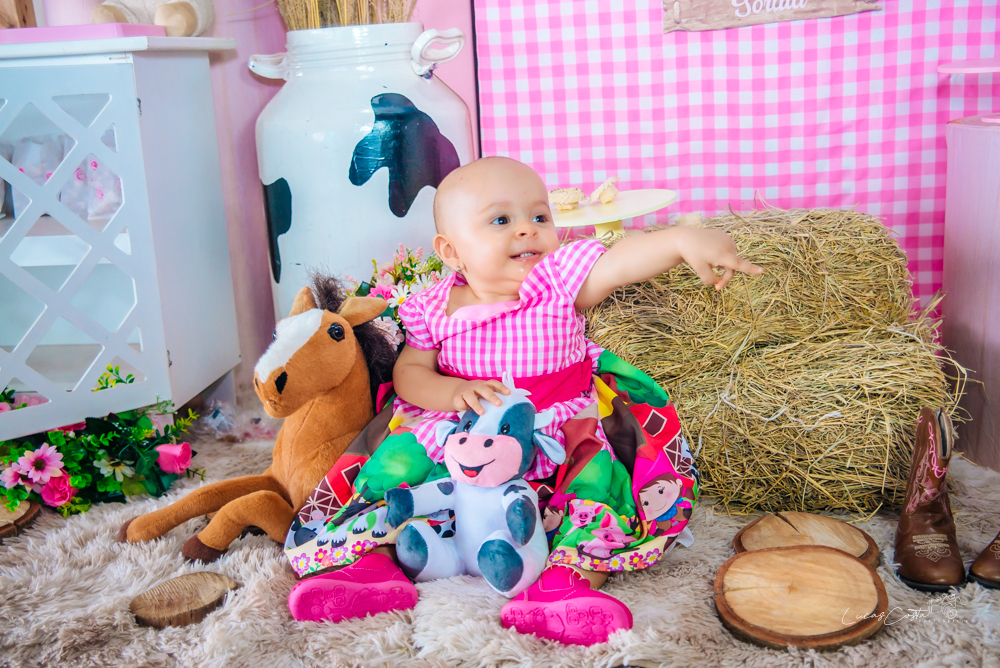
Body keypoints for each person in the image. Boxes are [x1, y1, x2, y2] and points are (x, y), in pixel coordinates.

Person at [286, 157, 762, 645]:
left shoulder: (555, 282)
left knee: (594, 489)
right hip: (462, 433)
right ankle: (373, 566)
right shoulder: (432, 306)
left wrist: (680, 241)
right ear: (451, 251)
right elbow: (409, 373)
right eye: (501, 220)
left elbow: (619, 263)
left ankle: (566, 583)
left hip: (557, 430)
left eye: (539, 216)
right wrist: (452, 393)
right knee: (400, 472)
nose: (527, 230)